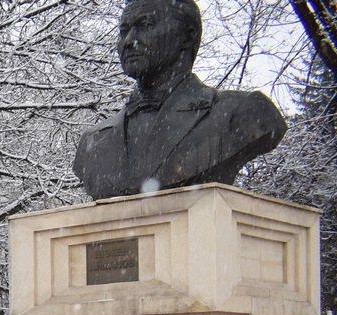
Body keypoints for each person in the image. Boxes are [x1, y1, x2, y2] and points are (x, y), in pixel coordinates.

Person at [73, 0, 286, 200]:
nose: (129, 41)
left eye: (145, 25)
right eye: (124, 31)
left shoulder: (242, 113)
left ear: (187, 36)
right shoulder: (92, 142)